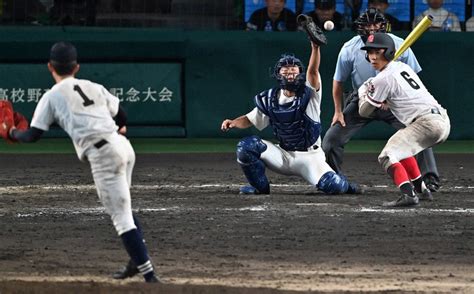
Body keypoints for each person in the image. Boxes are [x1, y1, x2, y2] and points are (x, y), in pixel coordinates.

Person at [5, 42, 159, 283]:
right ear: (76, 67)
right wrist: (119, 127)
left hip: (104, 156)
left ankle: (150, 277)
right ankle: (136, 261)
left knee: (121, 218)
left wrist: (11, 132)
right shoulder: (93, 86)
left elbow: (33, 135)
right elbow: (122, 115)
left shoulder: (52, 96)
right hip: (123, 147)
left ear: (49, 67)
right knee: (124, 209)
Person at [221, 36, 360, 196]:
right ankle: (260, 187)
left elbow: (313, 71)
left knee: (333, 186)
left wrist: (315, 48)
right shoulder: (270, 98)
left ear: (300, 74)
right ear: (278, 74)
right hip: (283, 155)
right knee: (246, 147)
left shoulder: (310, 94)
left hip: (310, 157)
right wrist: (233, 122)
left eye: (294, 70)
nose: (290, 74)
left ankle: (344, 184)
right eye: (285, 71)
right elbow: (249, 119)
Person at [321, 8, 441, 193]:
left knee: (419, 131)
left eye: (376, 25)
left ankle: (429, 179)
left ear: (384, 26)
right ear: (360, 29)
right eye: (368, 26)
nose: (372, 29)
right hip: (362, 99)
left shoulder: (400, 45)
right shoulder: (349, 48)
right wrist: (338, 111)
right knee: (331, 140)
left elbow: (414, 78)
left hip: (394, 102)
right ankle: (334, 179)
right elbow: (338, 82)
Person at [358, 32, 450, 207]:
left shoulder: (383, 79)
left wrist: (364, 92)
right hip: (441, 121)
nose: (373, 57)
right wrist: (376, 90)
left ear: (389, 51)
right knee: (402, 152)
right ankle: (422, 190)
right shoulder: (402, 67)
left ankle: (408, 194)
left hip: (426, 123)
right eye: (370, 52)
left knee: (386, 156)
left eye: (378, 51)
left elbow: (365, 112)